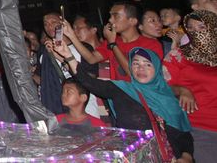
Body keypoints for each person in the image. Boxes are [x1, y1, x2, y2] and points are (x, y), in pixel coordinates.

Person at [53, 41, 194, 163]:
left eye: (147, 64)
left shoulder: (169, 98)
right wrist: (69, 56)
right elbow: (88, 82)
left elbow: (184, 136)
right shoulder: (122, 89)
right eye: (136, 63)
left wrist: (187, 157)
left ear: (156, 69)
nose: (140, 68)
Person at [164, 10, 217, 162]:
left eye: (201, 27)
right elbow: (160, 87)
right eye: (190, 28)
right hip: (200, 130)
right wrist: (181, 90)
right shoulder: (178, 56)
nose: (195, 32)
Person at [65, 1, 162, 81]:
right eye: (110, 16)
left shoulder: (151, 44)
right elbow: (91, 59)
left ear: (132, 21)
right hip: (120, 99)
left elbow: (134, 74)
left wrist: (112, 44)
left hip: (145, 100)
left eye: (116, 16)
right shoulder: (112, 41)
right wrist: (71, 35)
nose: (111, 20)